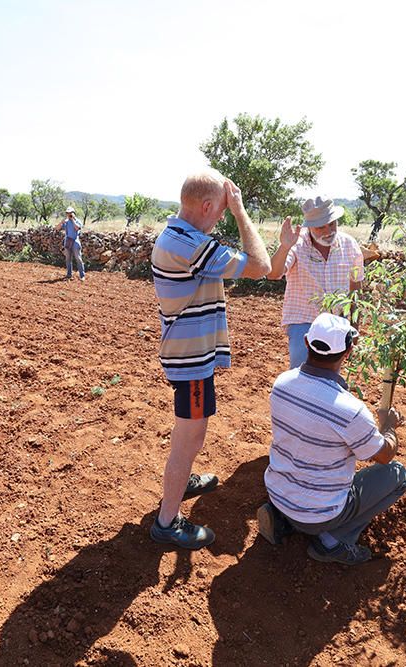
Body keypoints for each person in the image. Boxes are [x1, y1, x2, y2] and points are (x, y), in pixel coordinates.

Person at [149, 169, 272, 549]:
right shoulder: (190, 245)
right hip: (192, 361)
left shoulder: (180, 236)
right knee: (191, 435)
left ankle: (180, 480)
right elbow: (262, 266)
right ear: (206, 206)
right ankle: (167, 521)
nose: (222, 215)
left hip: (188, 355)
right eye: (220, 209)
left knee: (187, 430)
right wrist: (241, 212)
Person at [256, 312, 406, 565]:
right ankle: (332, 541)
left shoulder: (281, 383)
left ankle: (284, 519)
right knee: (398, 476)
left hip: (278, 493)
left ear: (306, 342)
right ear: (348, 352)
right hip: (321, 514)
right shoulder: (350, 410)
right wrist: (388, 426)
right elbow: (383, 455)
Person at [267, 196, 364, 369]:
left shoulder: (349, 245)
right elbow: (273, 274)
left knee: (330, 377)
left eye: (332, 224)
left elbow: (355, 288)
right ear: (309, 227)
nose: (328, 231)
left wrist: (355, 326)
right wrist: (284, 246)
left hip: (337, 322)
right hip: (304, 321)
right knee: (302, 373)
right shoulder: (297, 245)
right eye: (320, 227)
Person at [56, 206, 85, 281]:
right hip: (67, 241)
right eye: (67, 213)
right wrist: (62, 221)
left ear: (73, 213)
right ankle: (69, 274)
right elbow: (57, 228)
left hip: (75, 241)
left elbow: (77, 228)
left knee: (78, 258)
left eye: (70, 213)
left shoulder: (77, 221)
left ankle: (82, 275)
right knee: (68, 259)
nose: (69, 214)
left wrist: (72, 220)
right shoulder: (66, 222)